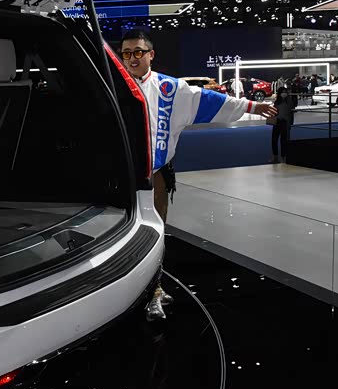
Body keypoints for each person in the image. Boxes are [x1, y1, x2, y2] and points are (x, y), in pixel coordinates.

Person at [119, 31, 277, 321]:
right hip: (123, 178)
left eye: (138, 52)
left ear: (151, 54)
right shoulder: (115, 86)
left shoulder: (170, 88)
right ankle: (131, 292)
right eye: (127, 53)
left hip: (156, 175)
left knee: (156, 233)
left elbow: (208, 100)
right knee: (125, 236)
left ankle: (154, 289)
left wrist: (252, 106)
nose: (132, 58)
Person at [271, 87, 296, 163]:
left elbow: (291, 113)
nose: (284, 93)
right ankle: (275, 156)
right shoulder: (277, 102)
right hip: (277, 121)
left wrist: (290, 123)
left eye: (285, 92)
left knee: (283, 140)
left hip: (285, 122)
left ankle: (283, 157)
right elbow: (274, 112)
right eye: (282, 92)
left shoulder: (289, 102)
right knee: (274, 139)